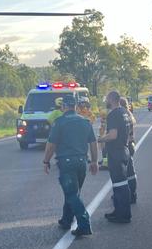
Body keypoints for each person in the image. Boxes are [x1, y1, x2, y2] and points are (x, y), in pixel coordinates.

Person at [43, 95, 99, 237]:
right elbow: (93, 143)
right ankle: (66, 220)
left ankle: (84, 224)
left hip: (67, 163)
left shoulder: (59, 122)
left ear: (63, 107)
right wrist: (94, 161)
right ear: (75, 107)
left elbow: (51, 145)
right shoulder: (85, 121)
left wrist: (46, 161)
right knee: (73, 192)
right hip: (82, 163)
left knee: (71, 194)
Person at [97, 90, 132, 223]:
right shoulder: (124, 112)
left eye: (106, 99)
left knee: (120, 185)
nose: (106, 101)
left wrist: (101, 139)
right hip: (124, 149)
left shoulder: (113, 115)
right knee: (121, 184)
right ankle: (118, 211)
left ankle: (123, 215)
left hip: (116, 152)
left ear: (111, 99)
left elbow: (113, 135)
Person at [120, 97, 138, 204]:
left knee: (125, 173)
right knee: (130, 172)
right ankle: (133, 194)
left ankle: (127, 195)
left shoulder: (122, 116)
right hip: (131, 144)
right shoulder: (129, 115)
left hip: (126, 145)